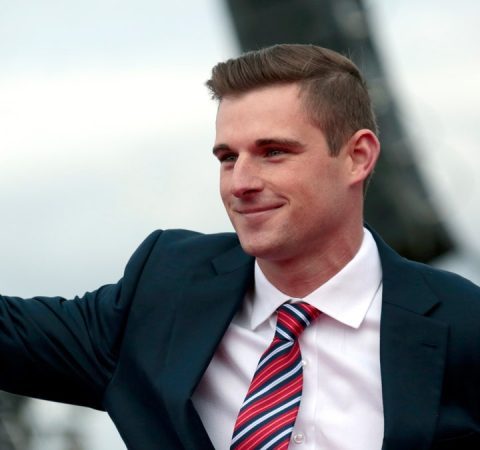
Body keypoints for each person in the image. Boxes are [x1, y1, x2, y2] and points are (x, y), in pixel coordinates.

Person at [0, 44, 479, 450]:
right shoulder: (162, 292)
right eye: (228, 157)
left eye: (273, 152)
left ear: (357, 157)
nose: (241, 183)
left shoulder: (463, 324)